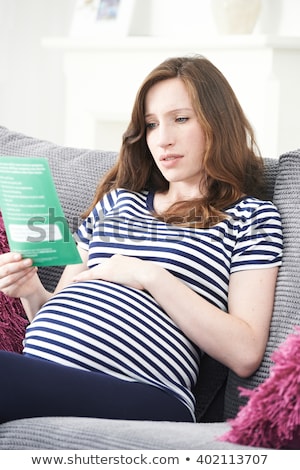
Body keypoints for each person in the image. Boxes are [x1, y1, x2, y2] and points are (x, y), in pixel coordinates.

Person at [0, 55, 283, 424]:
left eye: (180, 119)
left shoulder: (251, 218)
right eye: (151, 125)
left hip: (148, 394)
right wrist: (31, 291)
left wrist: (149, 275)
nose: (163, 139)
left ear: (218, 122)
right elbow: (58, 307)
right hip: (48, 372)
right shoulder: (118, 201)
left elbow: (246, 351)